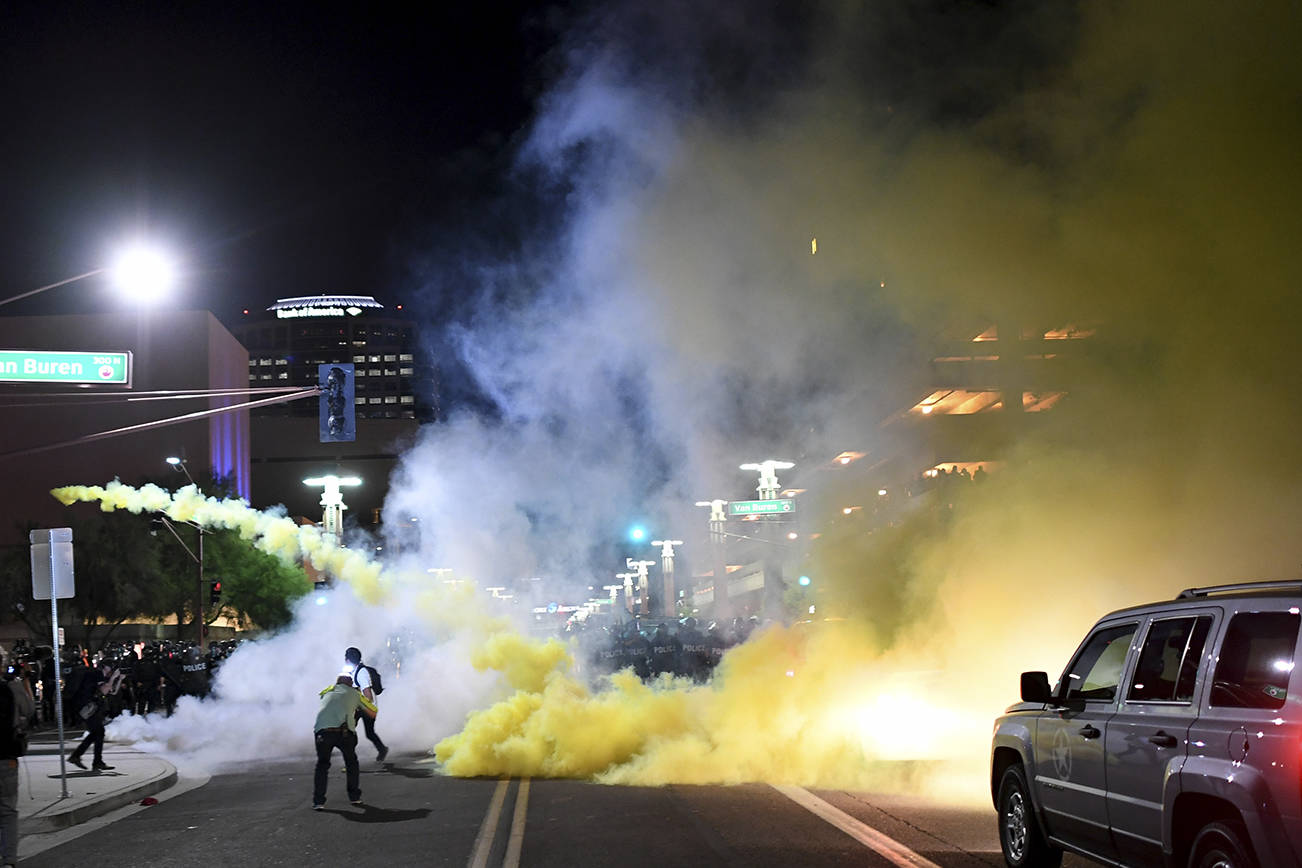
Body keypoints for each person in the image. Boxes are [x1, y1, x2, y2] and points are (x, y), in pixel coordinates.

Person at [312, 672, 376, 810]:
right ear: (351, 683)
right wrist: (358, 706)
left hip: (321, 732)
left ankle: (318, 802)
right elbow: (373, 712)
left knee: (322, 765)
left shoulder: (327, 691)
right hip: (344, 732)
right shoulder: (354, 693)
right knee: (351, 763)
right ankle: (354, 797)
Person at [0, 648, 34, 868]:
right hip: (5, 756)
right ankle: (9, 861)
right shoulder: (10, 687)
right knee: (7, 811)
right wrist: (25, 682)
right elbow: (29, 710)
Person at [68, 660, 124, 771]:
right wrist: (113, 678)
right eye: (110, 667)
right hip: (85, 707)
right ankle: (94, 761)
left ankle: (78, 756)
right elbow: (103, 691)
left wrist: (120, 679)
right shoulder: (95, 674)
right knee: (99, 732)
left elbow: (112, 691)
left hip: (91, 708)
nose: (111, 670)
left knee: (97, 733)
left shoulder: (101, 677)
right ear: (103, 667)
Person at [344, 647, 388, 762]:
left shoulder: (361, 673)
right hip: (366, 707)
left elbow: (368, 696)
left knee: (350, 732)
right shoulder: (355, 671)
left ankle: (351, 761)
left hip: (367, 708)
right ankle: (382, 749)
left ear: (348, 660)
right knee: (365, 732)